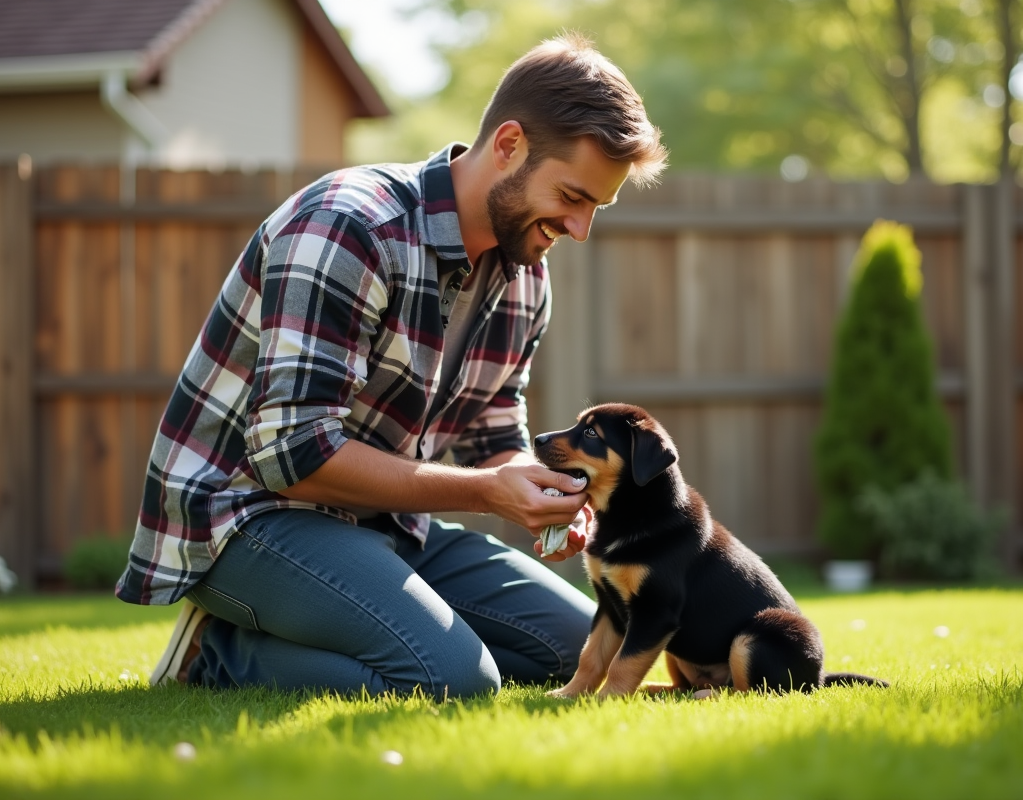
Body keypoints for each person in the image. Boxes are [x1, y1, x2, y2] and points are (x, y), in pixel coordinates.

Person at [115, 32, 667, 700]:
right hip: (243, 517)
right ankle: (217, 652)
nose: (580, 229)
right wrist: (484, 493)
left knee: (582, 650)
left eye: (595, 210)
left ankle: (353, 622)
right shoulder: (349, 226)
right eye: (572, 197)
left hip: (384, 523)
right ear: (510, 145)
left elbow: (492, 430)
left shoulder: (524, 277)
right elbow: (292, 453)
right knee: (456, 679)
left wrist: (536, 486)